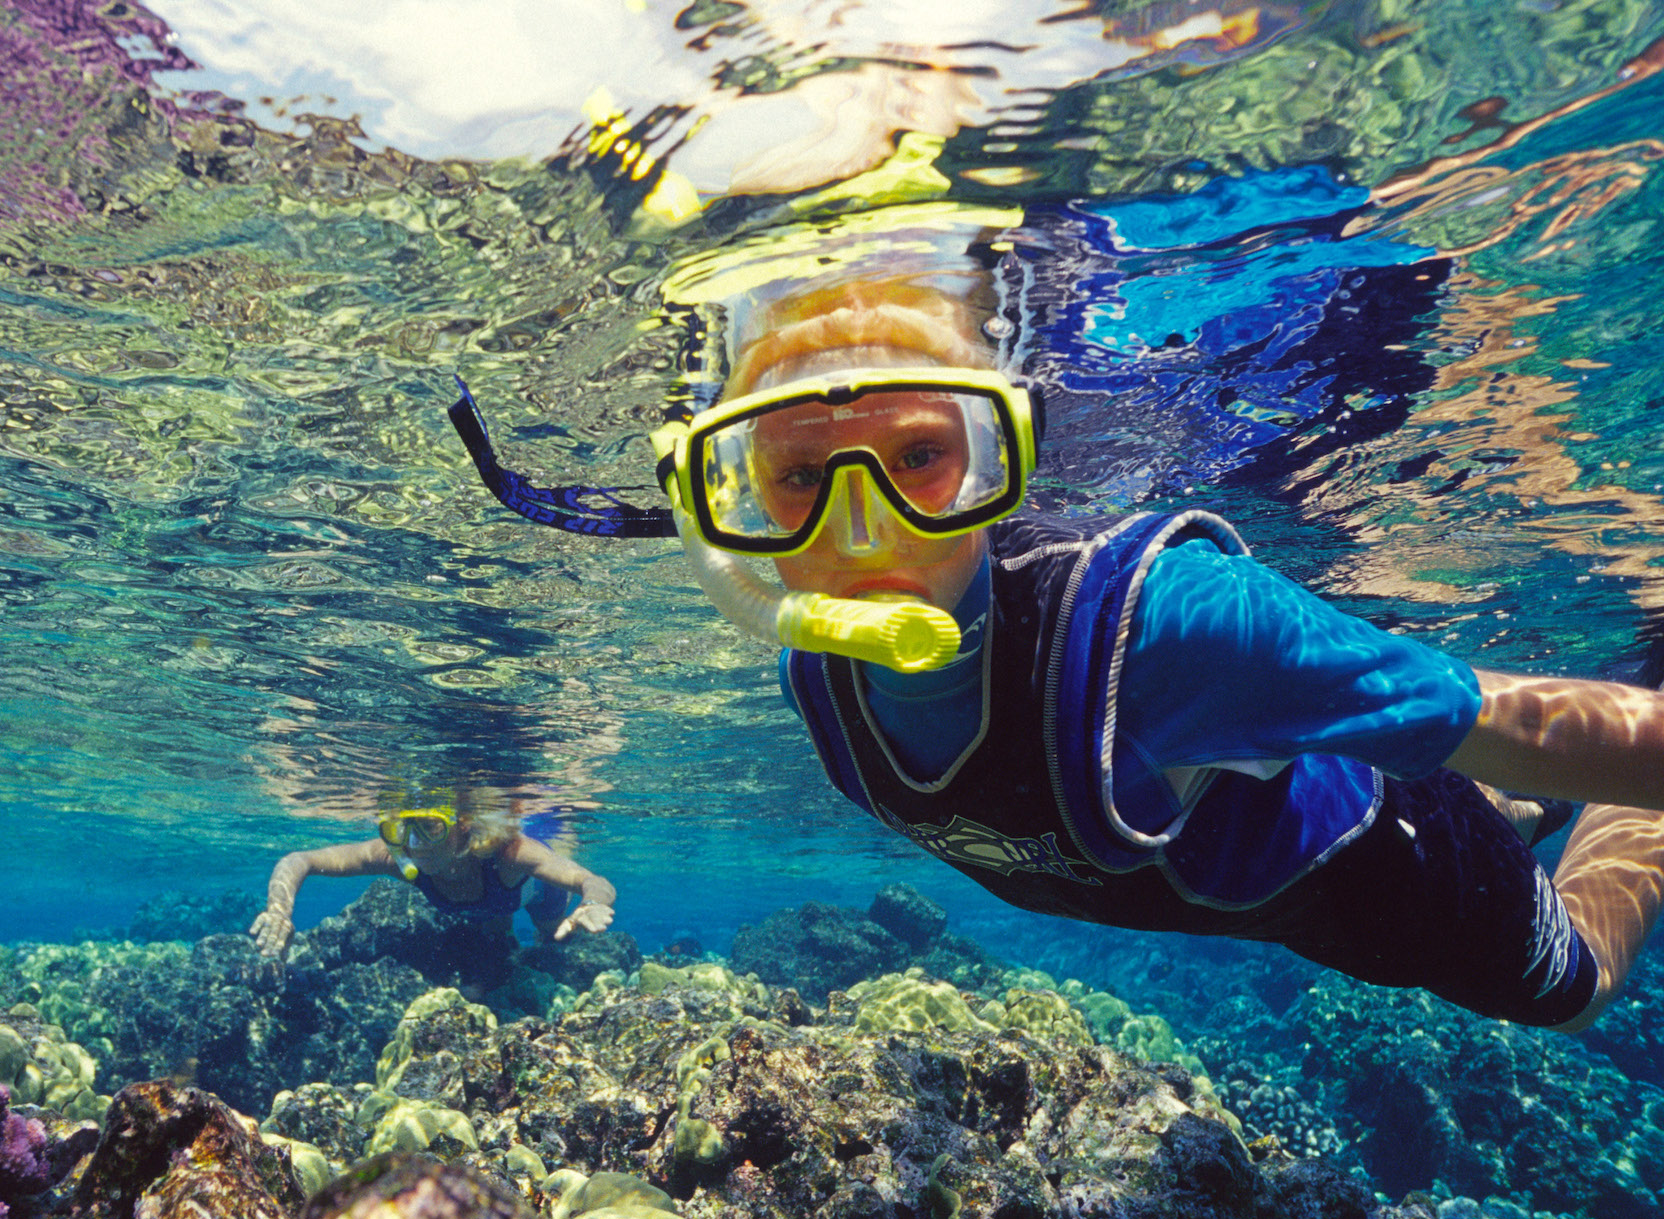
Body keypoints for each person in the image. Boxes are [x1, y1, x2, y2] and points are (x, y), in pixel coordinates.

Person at [451, 211, 1664, 1033]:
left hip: (1371, 877)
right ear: (725, 497)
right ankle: (1500, 804)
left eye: (919, 456)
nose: (858, 532)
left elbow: (1505, 715)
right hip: (1234, 857)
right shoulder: (813, 671)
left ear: (1005, 450)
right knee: (1458, 776)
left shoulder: (1173, 628)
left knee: (1573, 979)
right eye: (797, 474)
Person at [249, 790, 617, 961]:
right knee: (496, 943)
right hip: (491, 905)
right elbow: (300, 859)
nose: (414, 845)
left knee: (551, 945)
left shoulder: (510, 853)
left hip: (536, 894)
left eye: (429, 827)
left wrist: (593, 902)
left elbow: (594, 882)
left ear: (462, 826)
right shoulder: (397, 859)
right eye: (398, 829)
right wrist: (279, 909)